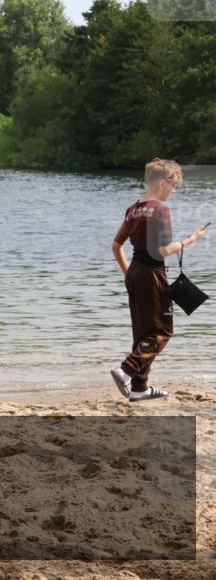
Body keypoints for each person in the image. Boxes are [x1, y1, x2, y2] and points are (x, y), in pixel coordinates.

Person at [109, 159, 208, 401]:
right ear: (162, 184)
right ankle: (126, 370)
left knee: (143, 332)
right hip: (153, 273)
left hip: (134, 271)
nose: (173, 192)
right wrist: (190, 240)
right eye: (173, 186)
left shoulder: (133, 209)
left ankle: (140, 388)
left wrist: (127, 274)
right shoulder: (161, 209)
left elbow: (116, 245)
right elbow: (162, 251)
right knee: (162, 331)